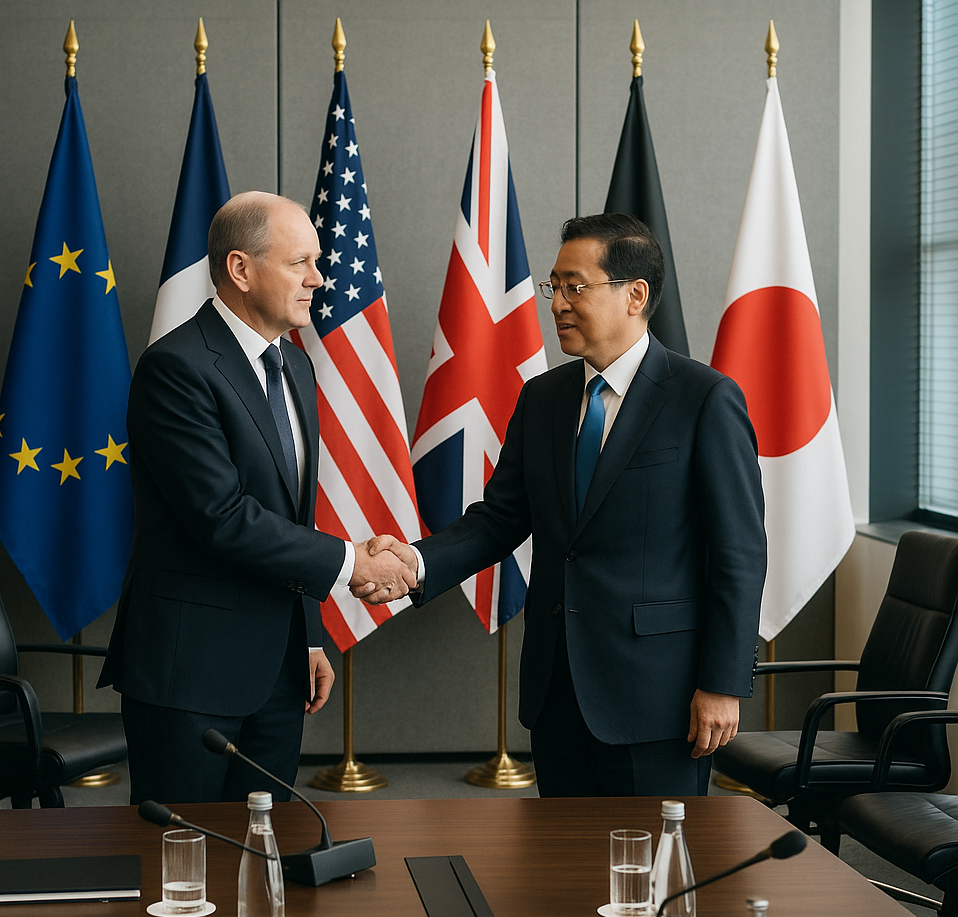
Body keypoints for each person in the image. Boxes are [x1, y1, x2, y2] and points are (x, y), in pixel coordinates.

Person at [362, 213, 766, 797]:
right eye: (555, 287)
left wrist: (723, 683)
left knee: (650, 875)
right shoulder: (543, 397)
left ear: (635, 296)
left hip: (660, 695)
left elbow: (739, 552)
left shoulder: (703, 399)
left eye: (575, 287)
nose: (557, 304)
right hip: (558, 688)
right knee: (560, 877)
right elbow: (500, 518)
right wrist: (414, 564)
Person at [99, 192, 413, 804]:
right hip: (190, 675)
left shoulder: (296, 367)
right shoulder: (176, 369)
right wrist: (352, 564)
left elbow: (291, 515)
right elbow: (223, 518)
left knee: (264, 850)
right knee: (184, 866)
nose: (318, 279)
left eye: (317, 262)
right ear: (241, 270)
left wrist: (310, 636)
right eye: (300, 263)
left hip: (278, 671)